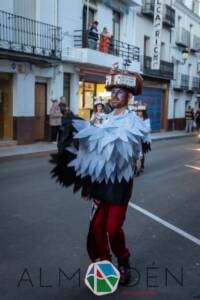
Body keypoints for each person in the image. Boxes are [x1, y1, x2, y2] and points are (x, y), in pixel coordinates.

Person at [50, 64, 147, 285]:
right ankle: (105, 263)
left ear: (128, 95)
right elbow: (90, 152)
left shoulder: (134, 121)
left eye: (120, 91)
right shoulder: (102, 118)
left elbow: (126, 151)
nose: (114, 95)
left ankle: (123, 259)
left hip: (120, 184)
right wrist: (87, 184)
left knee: (113, 228)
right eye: (113, 91)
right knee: (96, 227)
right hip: (100, 184)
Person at [136, 105, 151, 173]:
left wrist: (141, 130)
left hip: (143, 139)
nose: (138, 112)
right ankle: (135, 167)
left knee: (142, 153)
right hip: (136, 138)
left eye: (140, 111)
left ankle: (142, 166)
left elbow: (147, 129)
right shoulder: (135, 118)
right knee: (135, 153)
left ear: (143, 112)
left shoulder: (146, 119)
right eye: (138, 111)